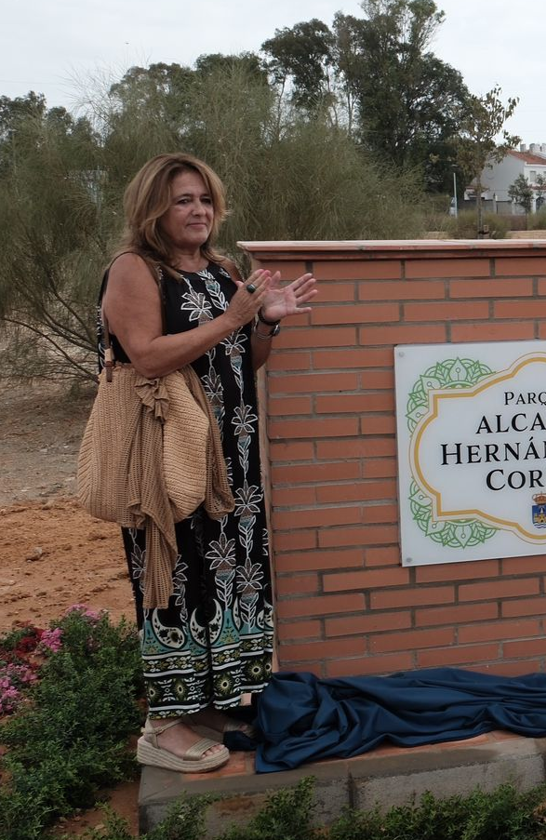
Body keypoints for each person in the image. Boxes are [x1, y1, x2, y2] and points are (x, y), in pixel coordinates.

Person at [99, 153, 317, 771]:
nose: (198, 211)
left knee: (227, 574)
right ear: (152, 209)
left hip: (232, 457)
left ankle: (208, 699)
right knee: (173, 573)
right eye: (182, 201)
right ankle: (162, 726)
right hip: (168, 456)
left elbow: (240, 366)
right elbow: (145, 355)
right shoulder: (135, 270)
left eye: (204, 199)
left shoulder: (219, 270)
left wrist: (265, 325)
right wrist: (233, 318)